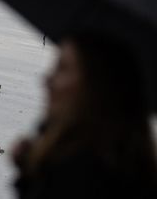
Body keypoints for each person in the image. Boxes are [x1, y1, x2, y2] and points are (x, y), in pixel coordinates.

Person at [12, 32, 157, 199]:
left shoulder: (79, 173)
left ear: (96, 86)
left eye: (63, 68)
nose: (47, 80)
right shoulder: (128, 165)